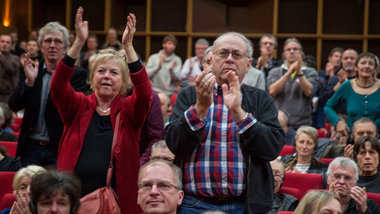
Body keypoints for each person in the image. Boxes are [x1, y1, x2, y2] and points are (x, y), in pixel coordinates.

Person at [165, 31, 285, 213]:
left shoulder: (260, 99)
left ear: (248, 65)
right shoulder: (189, 95)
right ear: (212, 61)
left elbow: (272, 148)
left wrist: (239, 114)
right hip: (193, 204)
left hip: (245, 206)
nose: (229, 59)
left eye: (236, 55)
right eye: (223, 53)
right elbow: (175, 145)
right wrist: (200, 109)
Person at [50, 8, 151, 214]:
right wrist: (78, 42)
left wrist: (128, 47)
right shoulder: (77, 105)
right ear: (91, 78)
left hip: (116, 202)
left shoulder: (130, 110)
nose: (106, 76)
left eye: (114, 72)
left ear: (123, 82)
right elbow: (57, 86)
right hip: (73, 200)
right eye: (101, 71)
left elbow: (145, 93)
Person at [8, 21, 87, 167]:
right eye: (48, 41)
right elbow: (14, 104)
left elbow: (76, 111)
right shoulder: (31, 70)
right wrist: (29, 83)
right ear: (41, 47)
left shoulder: (77, 75)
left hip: (59, 147)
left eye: (57, 41)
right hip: (30, 147)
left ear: (65, 48)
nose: (52, 45)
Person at [324, 52, 380, 144]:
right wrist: (338, 122)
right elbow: (328, 106)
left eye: (370, 64)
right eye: (363, 63)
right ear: (356, 67)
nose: (367, 66)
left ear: (375, 69)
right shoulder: (347, 85)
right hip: (352, 140)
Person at [267, 37, 319, 129]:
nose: (292, 51)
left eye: (295, 49)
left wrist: (299, 72)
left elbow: (309, 92)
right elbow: (272, 91)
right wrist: (288, 73)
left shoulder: (311, 72)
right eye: (288, 49)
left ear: (301, 53)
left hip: (302, 124)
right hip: (279, 124)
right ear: (284, 54)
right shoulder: (275, 72)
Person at [0, 34, 20, 103]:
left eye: (7, 42)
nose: (4, 44)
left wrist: (0, 56)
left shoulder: (15, 58)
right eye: (2, 41)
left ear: (11, 46)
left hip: (8, 96)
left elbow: (11, 68)